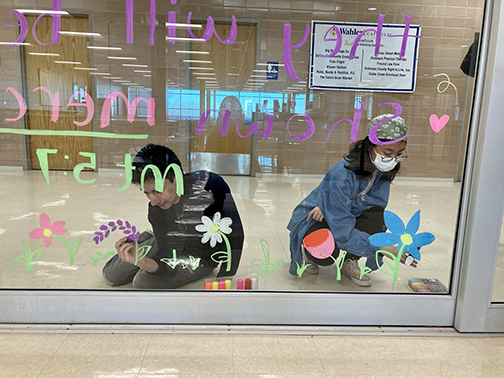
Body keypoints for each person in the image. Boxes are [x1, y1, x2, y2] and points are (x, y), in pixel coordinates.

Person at [287, 114, 417, 287]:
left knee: (376, 217)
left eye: (398, 154)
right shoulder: (341, 173)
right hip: (315, 215)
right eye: (387, 152)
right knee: (325, 255)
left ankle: (349, 261)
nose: (393, 159)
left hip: (344, 214)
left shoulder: (381, 172)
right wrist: (382, 247)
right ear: (370, 145)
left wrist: (397, 242)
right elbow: (341, 227)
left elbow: (374, 208)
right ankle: (307, 251)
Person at [103, 144, 244, 289]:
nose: (153, 200)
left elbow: (236, 234)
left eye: (157, 190)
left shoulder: (210, 186)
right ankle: (152, 238)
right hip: (171, 243)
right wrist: (141, 260)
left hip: (200, 256)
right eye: (146, 192)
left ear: (176, 178)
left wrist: (225, 277)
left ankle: (150, 239)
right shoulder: (156, 208)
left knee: (142, 282)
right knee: (111, 275)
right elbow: (167, 261)